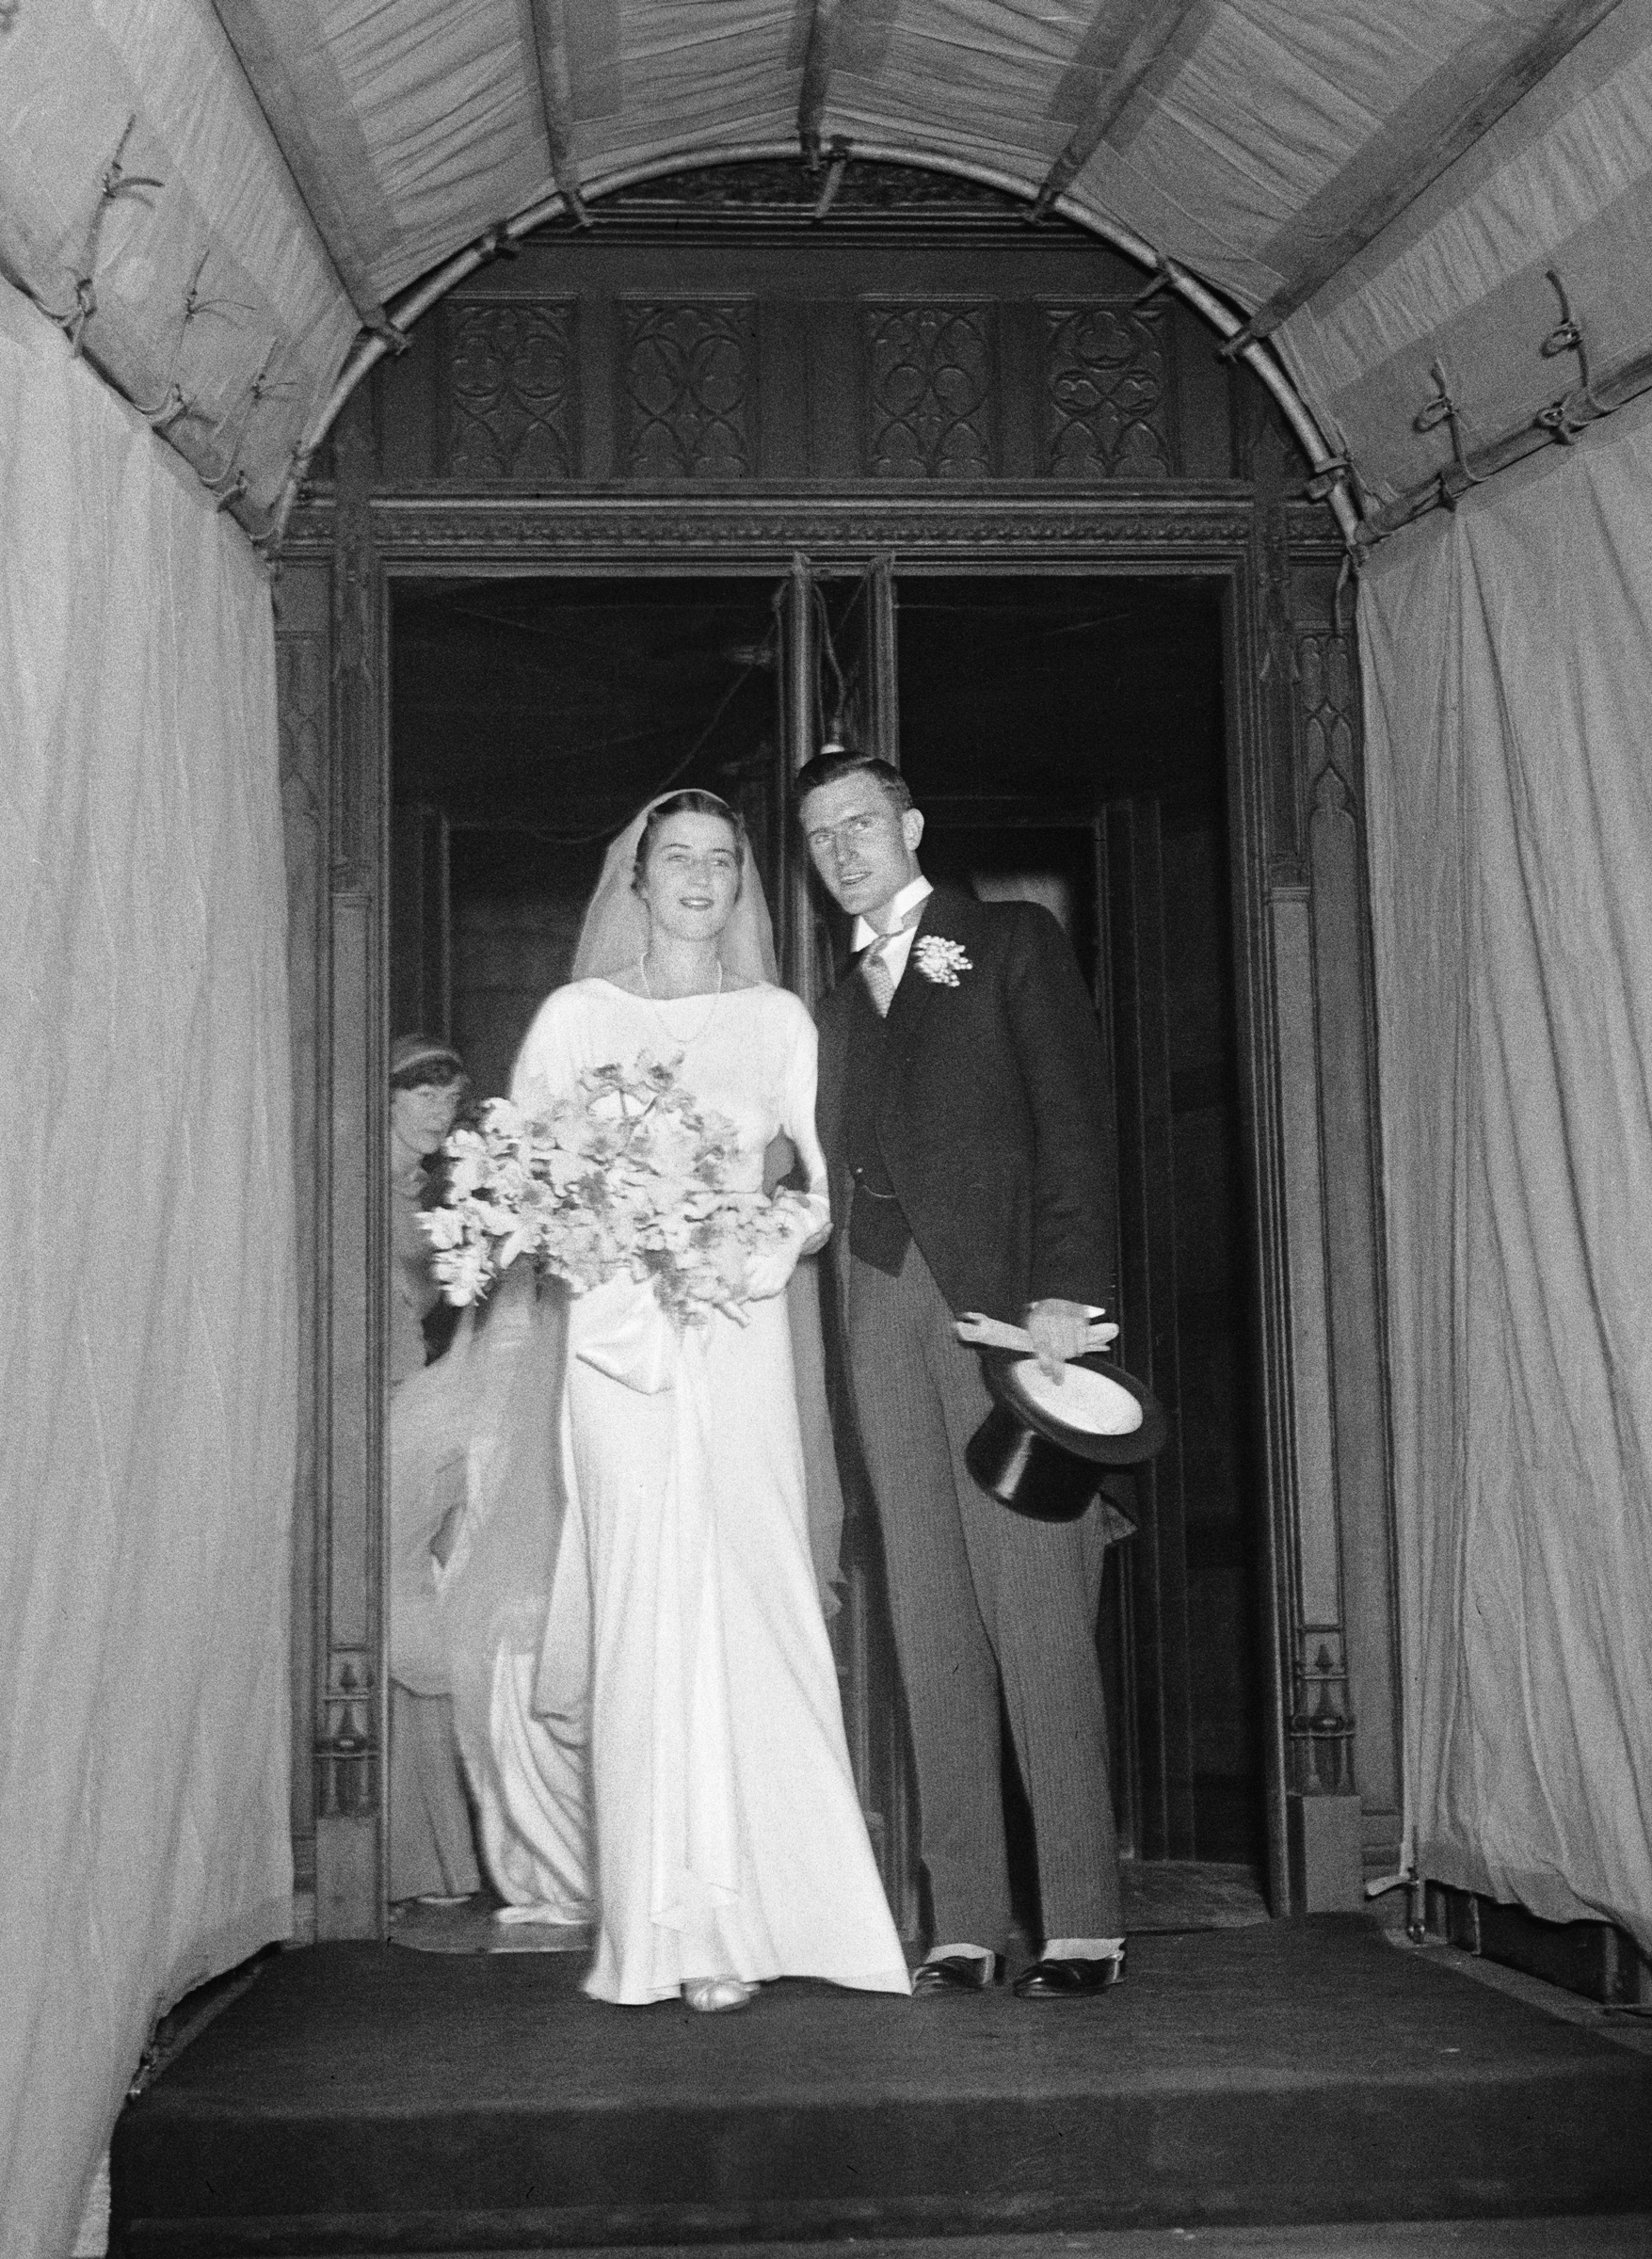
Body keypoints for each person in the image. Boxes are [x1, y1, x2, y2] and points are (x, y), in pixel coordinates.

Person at [489, 788, 909, 2011]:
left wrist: (746, 1240)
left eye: (722, 860)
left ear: (741, 887)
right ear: (638, 880)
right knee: (645, 1607)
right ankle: (658, 1930)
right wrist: (616, 1232)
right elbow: (521, 1183)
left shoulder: (777, 1020)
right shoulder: (577, 1018)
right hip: (619, 1356)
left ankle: (776, 1915)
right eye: (678, 857)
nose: (701, 877)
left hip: (732, 1338)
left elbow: (827, 1193)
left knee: (753, 1592)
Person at [798, 747, 1127, 2000]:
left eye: (863, 822)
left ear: (912, 824)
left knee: (1034, 1603)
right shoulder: (830, 1005)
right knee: (926, 1614)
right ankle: (966, 1920)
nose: (844, 848)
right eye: (822, 833)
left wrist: (1068, 1300)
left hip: (1007, 1318)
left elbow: (1074, 1130)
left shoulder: (1011, 941)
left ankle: (1085, 1918)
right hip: (878, 1309)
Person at [384, 1034, 483, 1906]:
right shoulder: (363, 1185)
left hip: (416, 1390)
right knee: (394, 1590)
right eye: (422, 1096)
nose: (438, 1114)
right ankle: (420, 1861)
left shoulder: (432, 1190)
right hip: (378, 1393)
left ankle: (438, 1863)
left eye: (449, 1102)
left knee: (409, 1585)